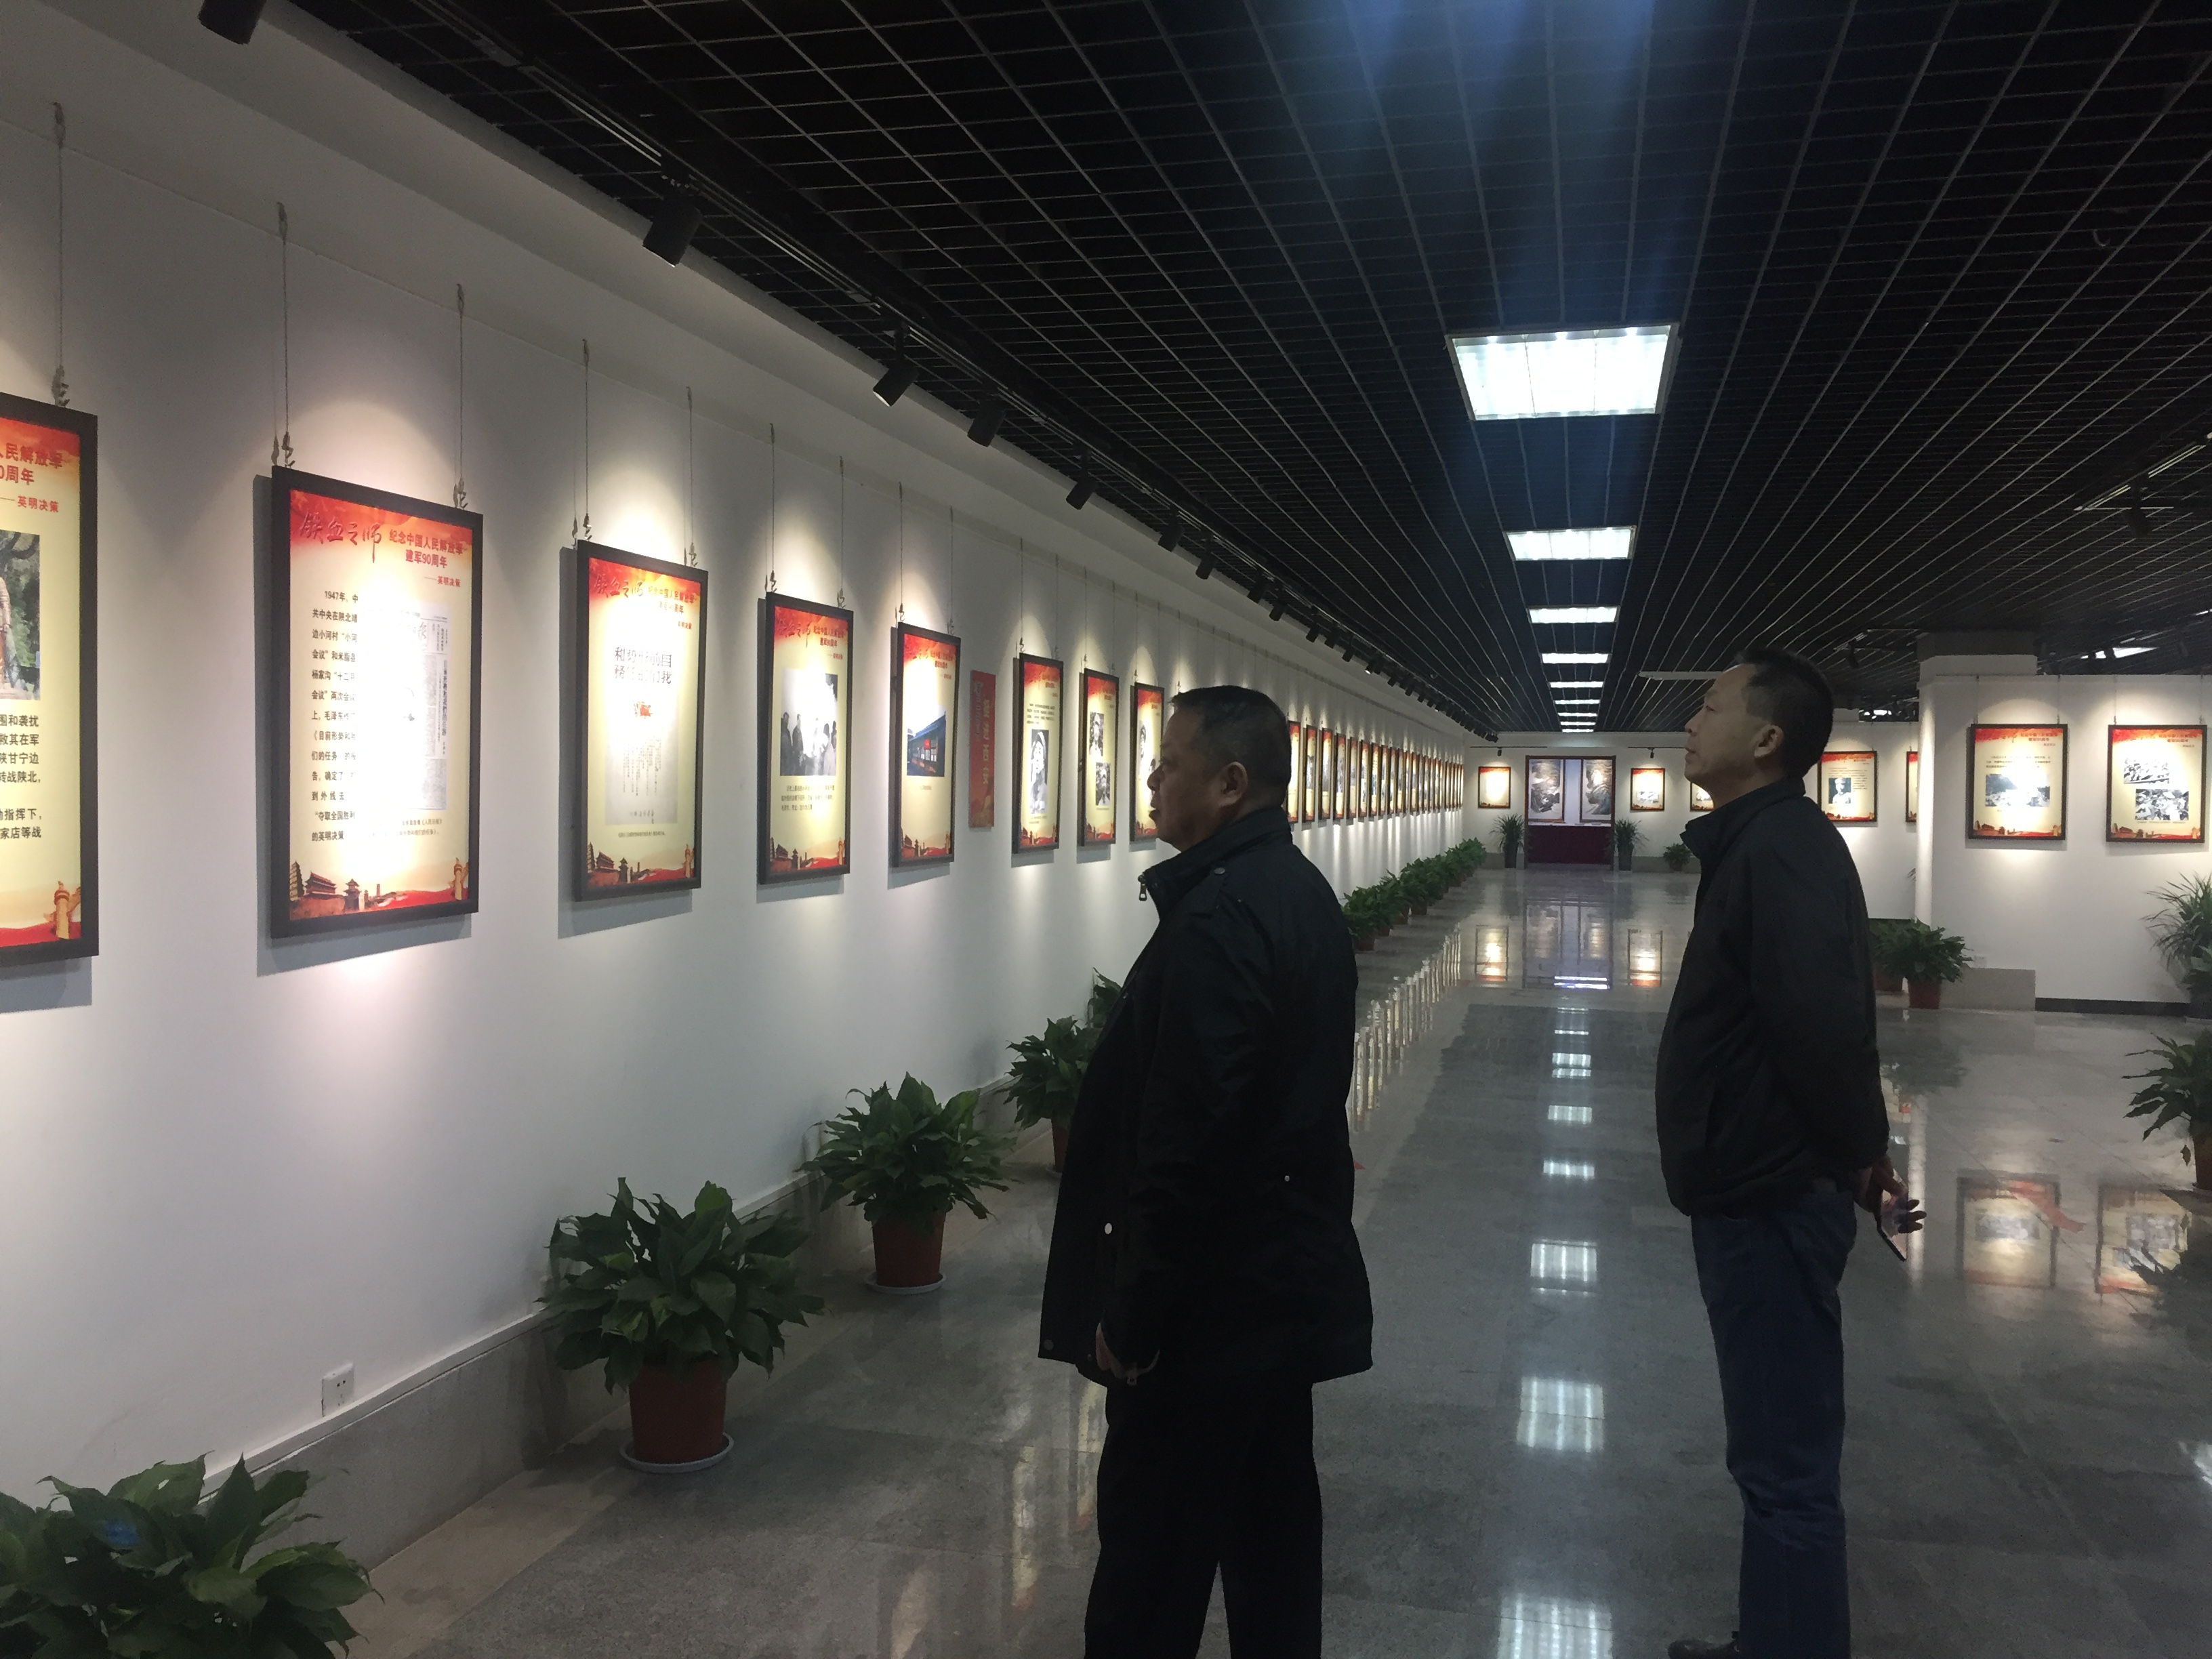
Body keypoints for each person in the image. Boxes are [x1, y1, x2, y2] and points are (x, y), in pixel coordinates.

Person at [1038, 684, 1372, 1659]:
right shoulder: (1295, 891)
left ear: (1229, 784)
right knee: (1271, 1547)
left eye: (1169, 763)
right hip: (1274, 1290)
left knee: (1149, 1575)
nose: (1151, 780)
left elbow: (1187, 1143)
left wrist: (1135, 1316)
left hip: (1209, 1315)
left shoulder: (1221, 918)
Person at [1660, 648, 1924, 1659]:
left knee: (1786, 1466)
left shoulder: (1780, 850)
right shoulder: (1765, 842)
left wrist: (1861, 1150)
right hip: (1756, 1183)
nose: (1691, 722)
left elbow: (1821, 1023)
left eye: (1710, 705)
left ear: (1767, 739)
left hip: (1769, 1194)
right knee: (1772, 1454)